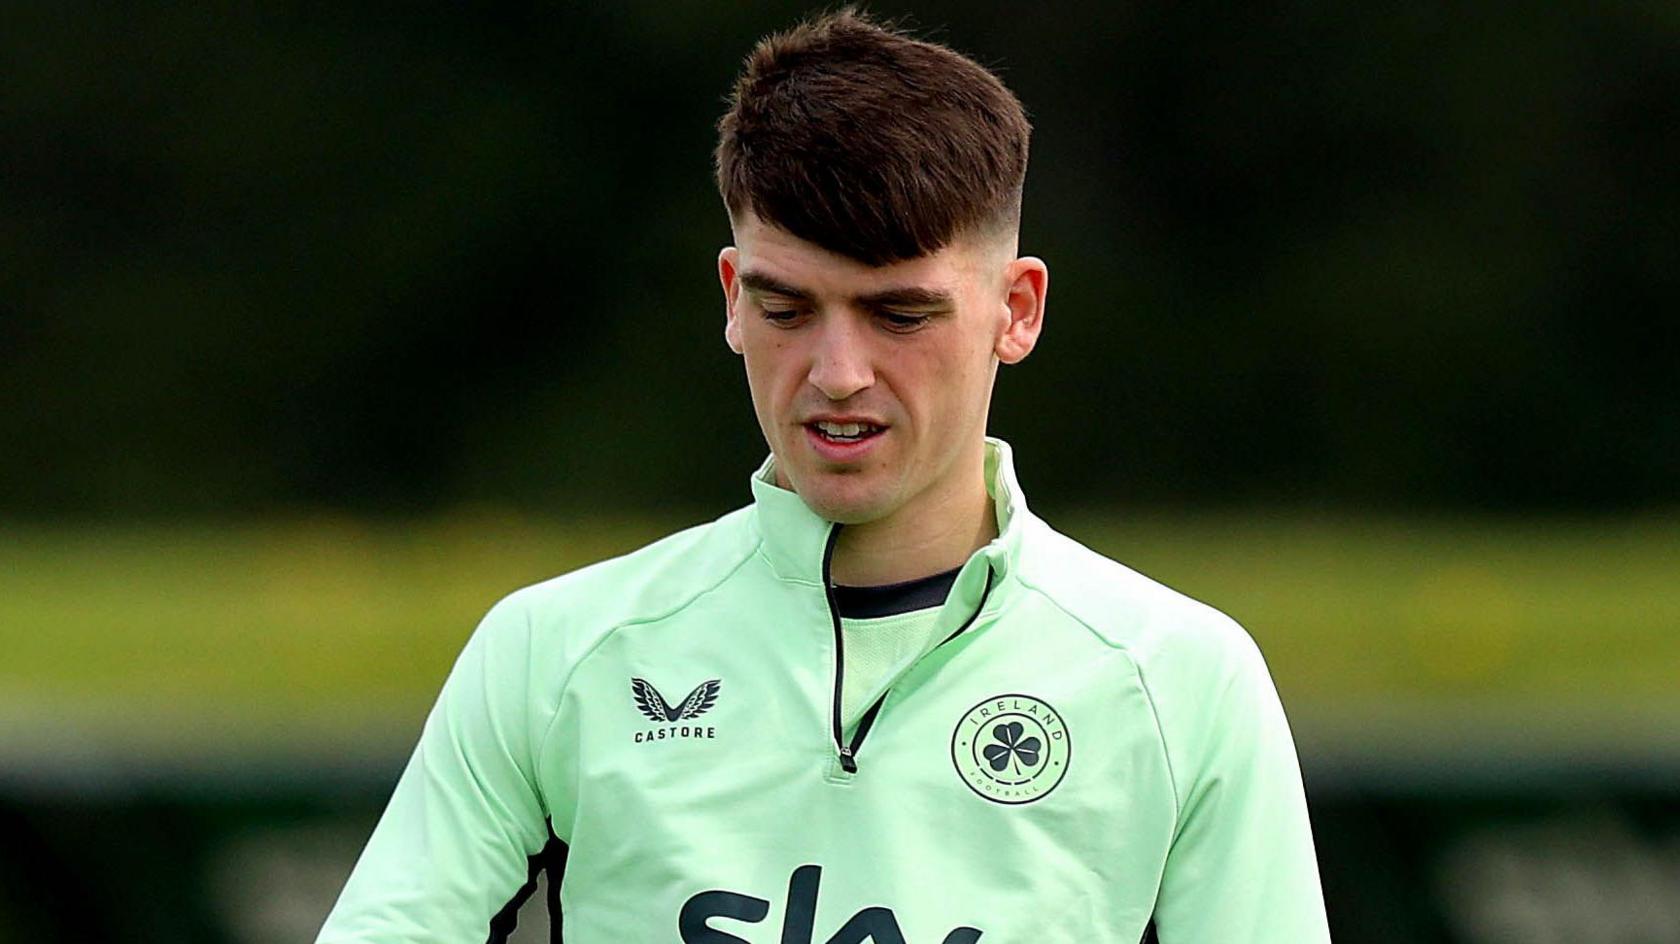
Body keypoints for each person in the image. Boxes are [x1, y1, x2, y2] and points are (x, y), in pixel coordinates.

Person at [317, 10, 1329, 943]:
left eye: (899, 313)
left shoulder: (1179, 678)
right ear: (730, 296)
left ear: (1015, 310)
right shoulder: (554, 653)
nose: (838, 373)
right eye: (787, 308)